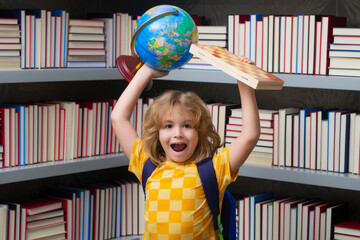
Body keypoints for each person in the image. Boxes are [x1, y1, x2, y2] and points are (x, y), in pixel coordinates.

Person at [111, 64, 260, 240]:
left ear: (200, 132)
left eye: (187, 125)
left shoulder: (214, 169)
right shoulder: (146, 165)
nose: (178, 134)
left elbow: (250, 135)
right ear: (156, 133)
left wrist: (244, 82)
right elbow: (118, 117)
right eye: (168, 126)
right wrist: (145, 72)